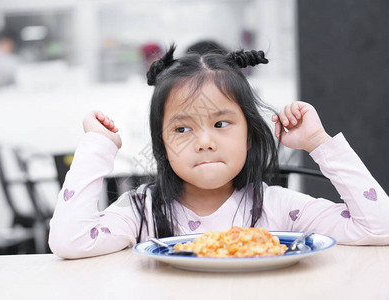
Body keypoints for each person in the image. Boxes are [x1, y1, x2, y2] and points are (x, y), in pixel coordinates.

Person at [48, 45, 389, 259]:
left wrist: (318, 142)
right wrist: (97, 145)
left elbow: (379, 227)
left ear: (250, 136)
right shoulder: (142, 212)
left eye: (222, 124)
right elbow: (70, 242)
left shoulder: (280, 208)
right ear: (162, 146)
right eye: (182, 129)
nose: (204, 141)